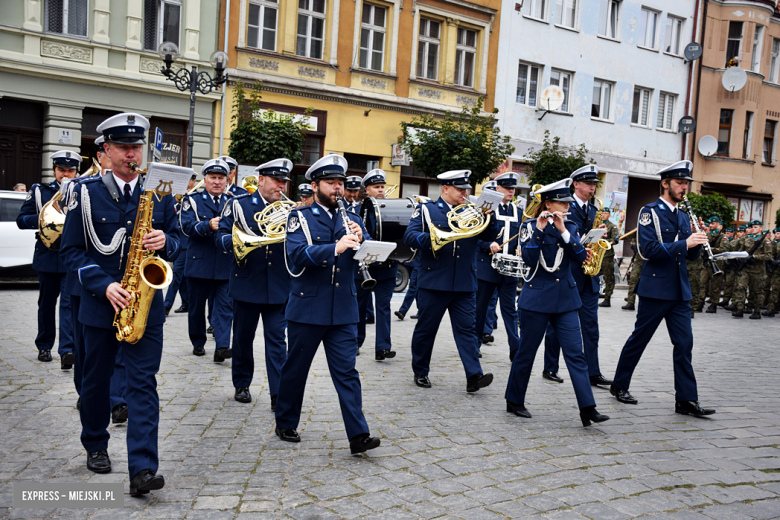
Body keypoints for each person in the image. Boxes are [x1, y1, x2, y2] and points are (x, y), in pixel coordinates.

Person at [60, 112, 179, 494]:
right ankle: (95, 442)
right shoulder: (85, 193)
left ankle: (142, 469)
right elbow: (71, 253)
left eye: (137, 147)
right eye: (125, 148)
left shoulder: (159, 192)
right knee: (95, 381)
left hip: (146, 306)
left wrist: (167, 243)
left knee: (143, 384)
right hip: (100, 304)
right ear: (106, 151)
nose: (133, 155)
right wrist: (105, 285)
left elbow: (179, 241)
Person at [274, 154, 381, 455]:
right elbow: (296, 256)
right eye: (331, 183)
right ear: (315, 185)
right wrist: (334, 247)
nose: (337, 189)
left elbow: (369, 257)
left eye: (340, 183)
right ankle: (286, 421)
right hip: (308, 307)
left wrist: (365, 242)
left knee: (347, 372)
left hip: (344, 309)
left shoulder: (354, 219)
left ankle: (358, 435)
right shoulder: (301, 217)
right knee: (296, 368)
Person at [610, 160, 715, 418]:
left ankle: (686, 400)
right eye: (680, 183)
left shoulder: (682, 215)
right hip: (655, 288)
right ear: (665, 183)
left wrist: (699, 241)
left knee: (684, 344)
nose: (684, 188)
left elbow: (688, 257)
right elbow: (648, 250)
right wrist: (685, 241)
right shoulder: (650, 212)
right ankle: (619, 385)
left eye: (686, 183)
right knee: (639, 340)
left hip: (679, 290)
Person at [504, 178, 609, 427]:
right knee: (526, 352)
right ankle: (514, 399)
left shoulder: (570, 226)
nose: (567, 206)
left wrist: (563, 230)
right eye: (562, 203)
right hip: (537, 299)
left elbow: (581, 255)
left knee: (576, 354)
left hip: (566, 300)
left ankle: (588, 407)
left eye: (568, 202)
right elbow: (529, 259)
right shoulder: (529, 226)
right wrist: (540, 230)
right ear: (548, 203)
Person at [403, 170, 496, 392]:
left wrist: (490, 218)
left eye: (467, 189)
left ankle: (474, 375)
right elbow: (409, 236)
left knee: (467, 330)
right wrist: (435, 237)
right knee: (427, 329)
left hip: (464, 282)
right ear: (445, 189)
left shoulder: (473, 211)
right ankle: (421, 370)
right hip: (434, 281)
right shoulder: (426, 209)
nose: (465, 193)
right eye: (460, 189)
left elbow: (490, 236)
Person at [216, 158, 292, 408]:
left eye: (284, 182)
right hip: (247, 281)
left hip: (278, 285)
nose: (280, 187)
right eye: (276, 181)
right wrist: (238, 243)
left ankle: (278, 393)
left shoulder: (291, 210)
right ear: (261, 180)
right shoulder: (237, 205)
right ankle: (242, 383)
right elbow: (221, 237)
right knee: (242, 338)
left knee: (277, 341)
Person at [64, 136, 127, 421]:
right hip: (86, 286)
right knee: (88, 354)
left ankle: (116, 401)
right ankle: (88, 398)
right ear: (103, 154)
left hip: (128, 291)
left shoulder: (145, 192)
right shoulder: (83, 190)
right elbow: (72, 245)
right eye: (117, 149)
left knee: (124, 362)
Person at [543, 165, 612, 387]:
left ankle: (593, 372)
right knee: (556, 325)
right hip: (567, 273)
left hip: (588, 276)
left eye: (594, 184)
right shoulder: (563, 206)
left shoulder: (594, 210)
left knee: (591, 326)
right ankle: (550, 367)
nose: (593, 188)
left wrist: (600, 233)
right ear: (576, 184)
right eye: (589, 183)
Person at [16, 150, 78, 366]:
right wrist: (45, 218)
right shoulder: (39, 191)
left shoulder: (82, 191)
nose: (66, 175)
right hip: (47, 255)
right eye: (62, 170)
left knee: (69, 305)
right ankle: (44, 346)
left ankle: (67, 350)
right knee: (46, 304)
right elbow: (21, 220)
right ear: (54, 170)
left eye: (71, 170)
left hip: (72, 257)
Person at [180, 159, 234, 361]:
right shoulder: (192, 200)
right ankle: (198, 341)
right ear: (206, 179)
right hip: (199, 262)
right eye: (213, 178)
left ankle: (222, 346)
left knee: (225, 307)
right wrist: (207, 226)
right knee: (196, 306)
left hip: (225, 262)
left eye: (221, 178)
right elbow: (186, 227)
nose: (218, 181)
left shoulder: (233, 200)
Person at [475, 173, 521, 361]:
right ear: (498, 188)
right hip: (487, 268)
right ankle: (474, 344)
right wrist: (488, 245)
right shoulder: (487, 208)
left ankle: (515, 349)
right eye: (507, 187)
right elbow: (474, 235)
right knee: (480, 308)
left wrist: (521, 246)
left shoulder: (518, 211)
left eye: (513, 188)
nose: (511, 191)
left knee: (510, 310)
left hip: (509, 269)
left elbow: (521, 235)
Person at [352, 169, 398, 360]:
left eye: (382, 187)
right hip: (363, 269)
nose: (380, 190)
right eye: (376, 187)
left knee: (383, 307)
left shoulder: (391, 209)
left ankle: (383, 348)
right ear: (367, 190)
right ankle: (356, 342)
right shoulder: (355, 211)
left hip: (387, 267)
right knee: (359, 307)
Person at [164, 175, 197, 315]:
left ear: (193, 182)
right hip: (177, 240)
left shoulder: (195, 198)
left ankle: (166, 306)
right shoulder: (175, 197)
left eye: (188, 180)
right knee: (181, 275)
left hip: (187, 241)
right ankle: (186, 302)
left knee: (177, 273)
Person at [732, 220, 772, 319]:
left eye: (756, 227)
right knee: (741, 287)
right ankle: (740, 309)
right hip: (745, 269)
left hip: (758, 271)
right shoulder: (747, 239)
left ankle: (757, 311)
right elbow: (741, 251)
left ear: (761, 228)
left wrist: (754, 257)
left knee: (757, 291)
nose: (753, 229)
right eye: (752, 227)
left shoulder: (765, 241)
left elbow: (768, 256)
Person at [705, 217, 727, 313]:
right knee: (702, 283)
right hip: (706, 263)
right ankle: (700, 302)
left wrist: (710, 249)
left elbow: (723, 249)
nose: (710, 225)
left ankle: (714, 304)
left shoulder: (722, 237)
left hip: (717, 263)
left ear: (718, 224)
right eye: (710, 224)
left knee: (715, 285)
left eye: (713, 223)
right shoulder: (707, 234)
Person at [598, 207, 618, 307]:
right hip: (597, 254)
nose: (603, 215)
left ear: (609, 215)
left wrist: (605, 238)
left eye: (605, 213)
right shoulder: (597, 225)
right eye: (602, 213)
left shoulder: (612, 226)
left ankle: (607, 298)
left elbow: (615, 239)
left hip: (607, 255)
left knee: (608, 277)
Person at [622, 235, 644, 311]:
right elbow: (629, 237)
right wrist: (635, 245)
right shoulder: (639, 229)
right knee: (633, 278)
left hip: (651, 257)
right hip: (639, 257)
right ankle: (631, 302)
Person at [395, 255, 419, 320]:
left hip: (418, 262)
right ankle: (421, 311)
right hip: (409, 261)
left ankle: (403, 311)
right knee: (416, 288)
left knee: (413, 287)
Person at [763, 228, 780, 317]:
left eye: (778, 233)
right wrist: (771, 262)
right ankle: (771, 307)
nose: (776, 235)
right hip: (775, 270)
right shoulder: (773, 243)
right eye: (775, 233)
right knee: (774, 289)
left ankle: (774, 307)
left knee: (775, 289)